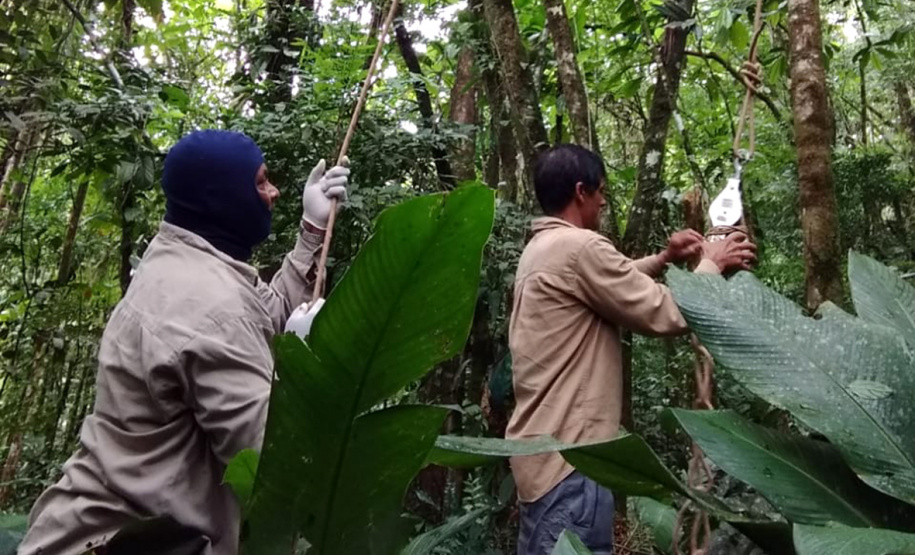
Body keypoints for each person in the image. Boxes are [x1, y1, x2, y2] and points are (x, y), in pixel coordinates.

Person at [18, 130, 349, 555]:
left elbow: (264, 315)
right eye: (261, 182)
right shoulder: (211, 307)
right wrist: (300, 373)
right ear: (222, 198)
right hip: (118, 544)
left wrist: (312, 229)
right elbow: (272, 461)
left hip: (89, 530)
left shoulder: (185, 257)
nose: (274, 193)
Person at [506, 144, 756, 555]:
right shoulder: (580, 248)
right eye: (601, 191)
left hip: (541, 457)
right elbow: (666, 312)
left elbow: (609, 282)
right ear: (581, 191)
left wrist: (663, 258)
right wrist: (712, 261)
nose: (604, 202)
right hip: (573, 461)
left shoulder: (542, 249)